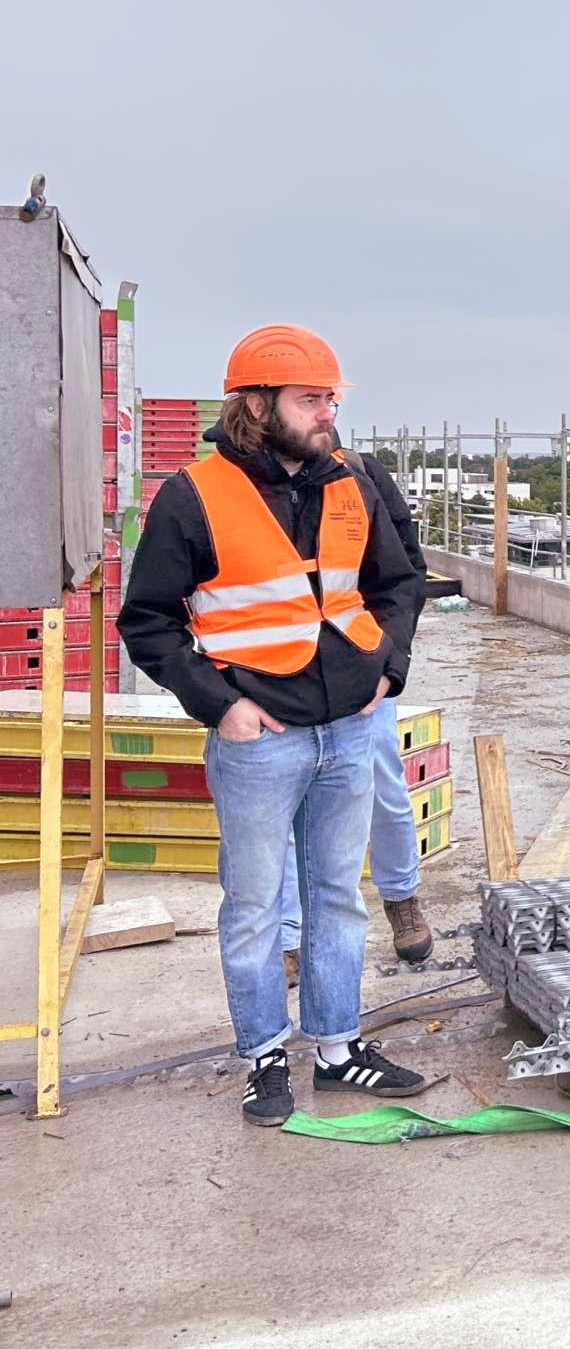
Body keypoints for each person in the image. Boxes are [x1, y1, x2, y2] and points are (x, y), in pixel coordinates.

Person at [117, 325, 428, 1126]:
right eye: (310, 399)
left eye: (332, 398)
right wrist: (222, 706)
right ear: (256, 405)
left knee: (337, 898)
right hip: (259, 738)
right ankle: (263, 1057)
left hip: (349, 727)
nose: (328, 413)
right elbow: (147, 621)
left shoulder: (352, 481)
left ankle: (338, 1049)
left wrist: (386, 670)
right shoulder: (194, 495)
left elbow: (398, 583)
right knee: (256, 908)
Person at [280, 433, 432, 986]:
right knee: (284, 808)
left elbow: (405, 576)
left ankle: (401, 897)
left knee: (383, 786)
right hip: (277, 675)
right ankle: (289, 938)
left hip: (357, 668)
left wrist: (391, 662)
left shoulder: (363, 479)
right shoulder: (245, 487)